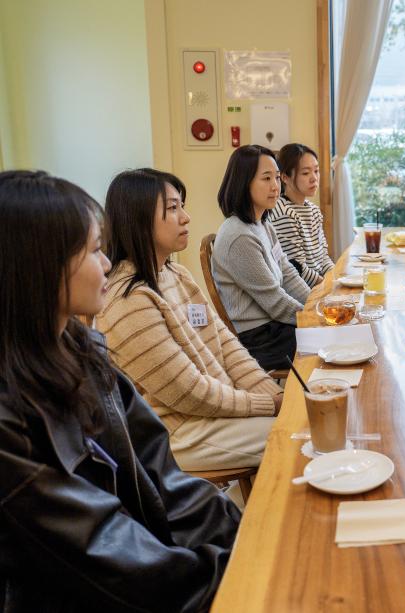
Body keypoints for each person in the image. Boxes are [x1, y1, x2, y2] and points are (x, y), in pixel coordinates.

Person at [0, 170, 239, 611]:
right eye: (94, 250)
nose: (107, 263)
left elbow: (164, 480)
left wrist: (246, 537)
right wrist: (238, 573)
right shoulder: (9, 423)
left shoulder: (82, 352)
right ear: (40, 265)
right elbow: (109, 560)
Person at [96, 168, 281, 473]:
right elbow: (188, 392)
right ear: (138, 218)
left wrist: (273, 394)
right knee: (298, 434)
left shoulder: (176, 274)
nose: (186, 217)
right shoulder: (128, 300)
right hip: (178, 431)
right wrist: (268, 405)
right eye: (172, 208)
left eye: (182, 206)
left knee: (300, 417)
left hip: (211, 414)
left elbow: (226, 345)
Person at [212, 145, 312, 370]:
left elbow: (287, 274)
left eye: (277, 177)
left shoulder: (263, 224)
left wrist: (315, 304)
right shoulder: (239, 236)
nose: (275, 186)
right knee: (334, 340)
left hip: (276, 326)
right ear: (243, 182)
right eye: (266, 178)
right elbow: (275, 302)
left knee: (340, 332)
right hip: (259, 339)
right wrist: (313, 319)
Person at [267, 143, 335, 287]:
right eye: (305, 173)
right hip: (303, 291)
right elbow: (297, 269)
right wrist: (328, 286)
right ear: (285, 177)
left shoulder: (314, 211)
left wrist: (335, 278)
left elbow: (323, 258)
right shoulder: (283, 212)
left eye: (316, 171)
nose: (314, 178)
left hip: (321, 285)